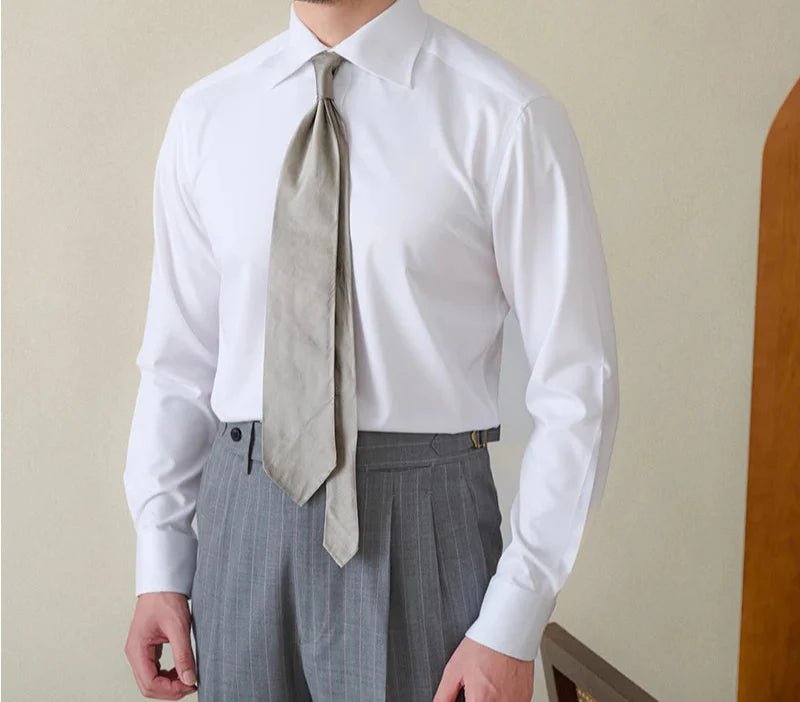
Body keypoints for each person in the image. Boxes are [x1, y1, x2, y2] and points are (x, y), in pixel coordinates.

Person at [122, 0, 620, 700]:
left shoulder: (504, 117)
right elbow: (178, 364)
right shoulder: (207, 117)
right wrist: (161, 561)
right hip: (241, 527)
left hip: (421, 529)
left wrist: (514, 618)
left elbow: (579, 387)